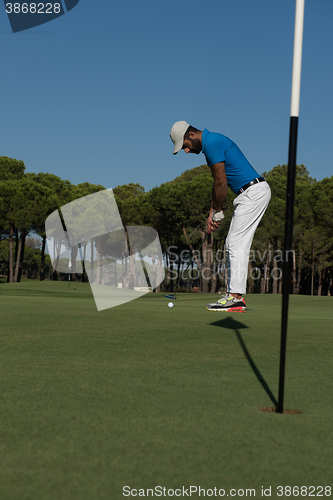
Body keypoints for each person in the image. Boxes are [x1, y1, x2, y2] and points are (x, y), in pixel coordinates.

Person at [170, 121, 271, 312]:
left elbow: (221, 183)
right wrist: (212, 212)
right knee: (233, 243)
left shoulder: (211, 144)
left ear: (191, 134)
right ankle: (233, 295)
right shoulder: (213, 140)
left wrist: (217, 212)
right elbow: (218, 184)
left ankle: (235, 298)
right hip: (249, 192)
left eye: (184, 145)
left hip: (252, 193)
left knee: (235, 243)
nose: (186, 151)